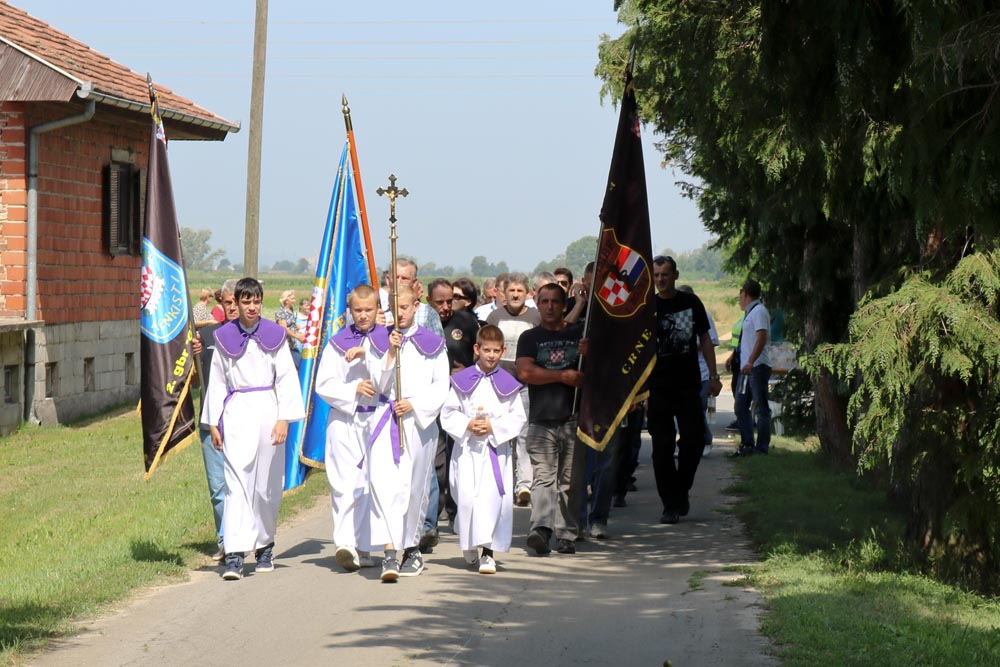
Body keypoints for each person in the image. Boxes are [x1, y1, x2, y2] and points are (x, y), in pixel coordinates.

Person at [202, 277, 306, 580]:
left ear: (262, 302)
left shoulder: (275, 335)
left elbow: (286, 377)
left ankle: (264, 546)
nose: (251, 307)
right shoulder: (224, 337)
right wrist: (214, 423)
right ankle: (235, 552)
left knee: (266, 484)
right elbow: (218, 382)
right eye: (245, 301)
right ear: (238, 302)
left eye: (256, 301)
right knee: (237, 482)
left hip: (267, 409)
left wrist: (284, 417)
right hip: (237, 410)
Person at [375, 286, 449, 580]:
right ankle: (390, 551)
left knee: (415, 487)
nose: (400, 313)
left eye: (405, 307)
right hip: (387, 422)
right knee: (389, 487)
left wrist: (415, 405)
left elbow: (441, 384)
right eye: (395, 308)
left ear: (416, 305)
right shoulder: (383, 340)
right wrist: (390, 354)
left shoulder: (432, 343)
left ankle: (412, 548)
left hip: (418, 425)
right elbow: (379, 385)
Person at [314, 285, 389, 572]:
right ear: (350, 310)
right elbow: (324, 384)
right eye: (357, 310)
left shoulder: (387, 340)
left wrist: (371, 355)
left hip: (377, 419)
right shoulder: (337, 342)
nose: (363, 315)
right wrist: (353, 388)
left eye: (368, 309)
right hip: (345, 420)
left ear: (377, 308)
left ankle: (364, 545)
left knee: (370, 483)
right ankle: (345, 543)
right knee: (345, 483)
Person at [441, 325, 527, 574]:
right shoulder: (462, 380)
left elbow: (517, 418)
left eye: (496, 351)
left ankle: (488, 552)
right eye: (486, 350)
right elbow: (448, 412)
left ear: (503, 351)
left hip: (494, 451)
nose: (491, 355)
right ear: (477, 349)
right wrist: (467, 424)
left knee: (491, 500)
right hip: (467, 448)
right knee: (466, 498)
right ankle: (469, 544)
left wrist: (493, 427)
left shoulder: (508, 383)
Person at [647, 256, 722, 525]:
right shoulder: (649, 306)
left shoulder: (690, 303)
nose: (660, 280)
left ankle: (681, 489)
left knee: (693, 441)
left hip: (688, 384)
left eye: (665, 274)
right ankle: (670, 504)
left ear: (675, 275)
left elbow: (705, 338)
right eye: (656, 275)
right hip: (658, 387)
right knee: (662, 447)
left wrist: (713, 375)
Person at [515, 282, 586, 555]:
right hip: (541, 419)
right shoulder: (530, 338)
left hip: (573, 417)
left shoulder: (579, 335)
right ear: (537, 303)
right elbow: (526, 373)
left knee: (570, 480)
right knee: (543, 478)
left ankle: (566, 533)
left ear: (564, 305)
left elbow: (590, 373)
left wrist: (587, 356)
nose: (549, 306)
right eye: (544, 301)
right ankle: (541, 530)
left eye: (555, 301)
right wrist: (561, 376)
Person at [421, 279, 479, 549]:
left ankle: (457, 513)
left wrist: (464, 374)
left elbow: (481, 359)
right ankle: (432, 519)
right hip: (431, 403)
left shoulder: (466, 322)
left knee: (458, 461)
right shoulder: (422, 325)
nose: (445, 307)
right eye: (439, 302)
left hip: (461, 401)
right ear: (429, 303)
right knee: (436, 463)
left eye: (449, 301)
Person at [193, 278, 238, 560]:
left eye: (237, 302)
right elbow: (196, 378)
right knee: (218, 486)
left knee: (244, 484)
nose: (232, 307)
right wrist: (194, 357)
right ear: (221, 302)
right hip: (211, 423)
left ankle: (249, 536)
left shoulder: (254, 337)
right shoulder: (207, 336)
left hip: (241, 421)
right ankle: (225, 539)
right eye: (228, 302)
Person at [486, 273, 540, 506]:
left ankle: (524, 485)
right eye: (511, 291)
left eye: (520, 291)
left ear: (527, 293)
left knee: (524, 435)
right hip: (499, 384)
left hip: (525, 385)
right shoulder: (494, 317)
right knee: (500, 434)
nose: (515, 295)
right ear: (503, 293)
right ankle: (501, 483)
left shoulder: (535, 317)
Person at [729, 279, 772, 456]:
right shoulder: (749, 313)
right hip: (746, 368)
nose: (739, 298)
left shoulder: (759, 311)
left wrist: (751, 361)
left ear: (745, 293)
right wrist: (735, 357)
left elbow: (761, 338)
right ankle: (747, 443)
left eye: (740, 294)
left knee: (760, 407)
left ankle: (761, 448)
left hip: (757, 367)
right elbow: (746, 341)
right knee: (740, 406)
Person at [678, 284, 721, 456]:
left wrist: (713, 376)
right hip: (683, 372)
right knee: (685, 410)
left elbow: (713, 340)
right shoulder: (679, 315)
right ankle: (686, 443)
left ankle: (705, 439)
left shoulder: (702, 314)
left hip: (702, 372)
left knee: (698, 407)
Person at [275, 289, 304, 368]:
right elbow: (284, 329)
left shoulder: (291, 311)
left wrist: (295, 327)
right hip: (286, 345)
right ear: (286, 301)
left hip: (293, 344)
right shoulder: (280, 312)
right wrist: (298, 337)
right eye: (292, 299)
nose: (294, 300)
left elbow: (291, 326)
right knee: (300, 365)